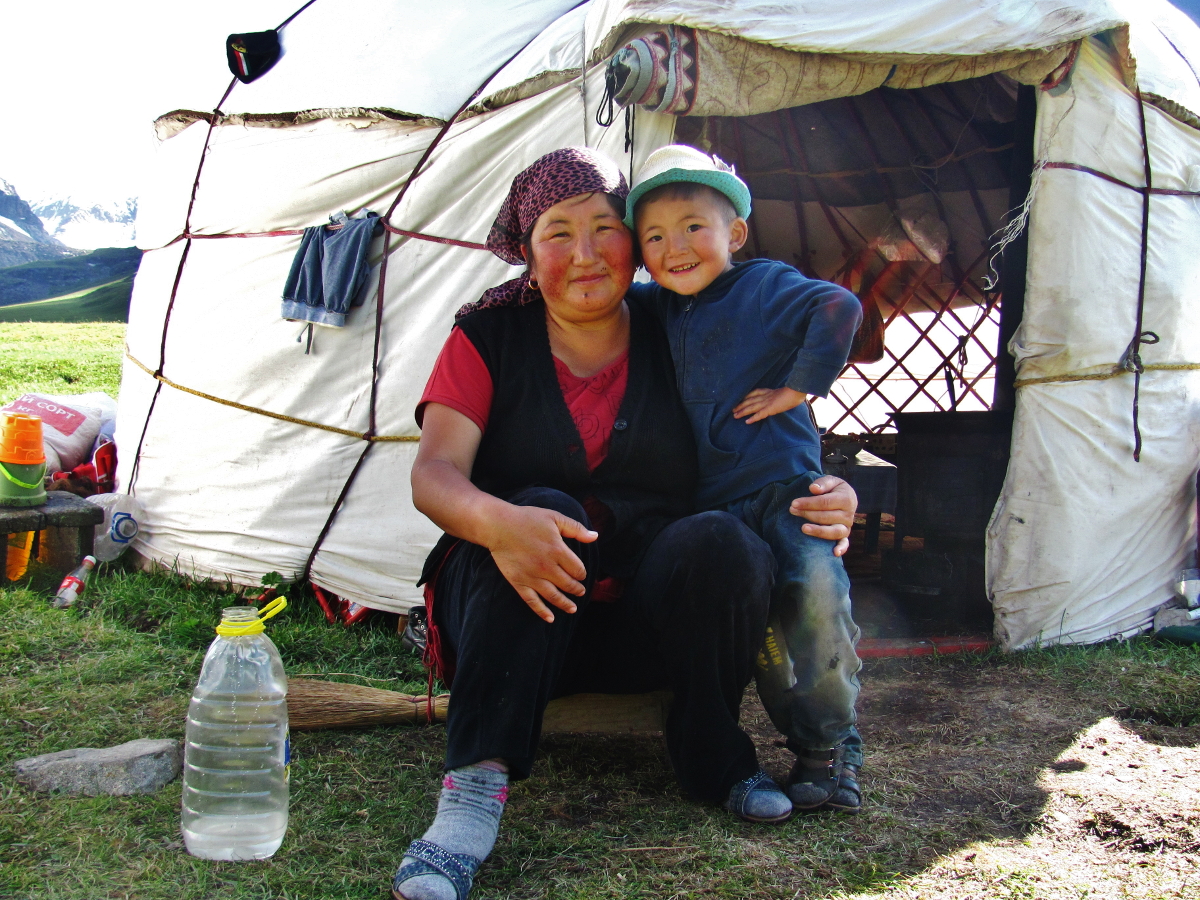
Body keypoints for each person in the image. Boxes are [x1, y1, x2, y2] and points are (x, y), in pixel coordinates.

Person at [393, 147, 859, 900]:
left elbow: (765, 439)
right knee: (548, 511)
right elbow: (433, 474)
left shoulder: (678, 323)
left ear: (631, 241)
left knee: (722, 540)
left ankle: (716, 758)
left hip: (643, 628)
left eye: (605, 228)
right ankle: (472, 794)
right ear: (524, 247)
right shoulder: (488, 337)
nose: (585, 255)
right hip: (511, 620)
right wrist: (500, 523)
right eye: (557, 233)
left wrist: (832, 489)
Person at [624, 144, 866, 813]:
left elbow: (841, 307)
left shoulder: (764, 285)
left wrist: (799, 387)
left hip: (788, 495)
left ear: (734, 234)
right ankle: (746, 741)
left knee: (815, 599)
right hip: (716, 513)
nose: (674, 247)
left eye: (693, 228)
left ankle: (827, 748)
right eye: (653, 237)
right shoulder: (654, 310)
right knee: (758, 636)